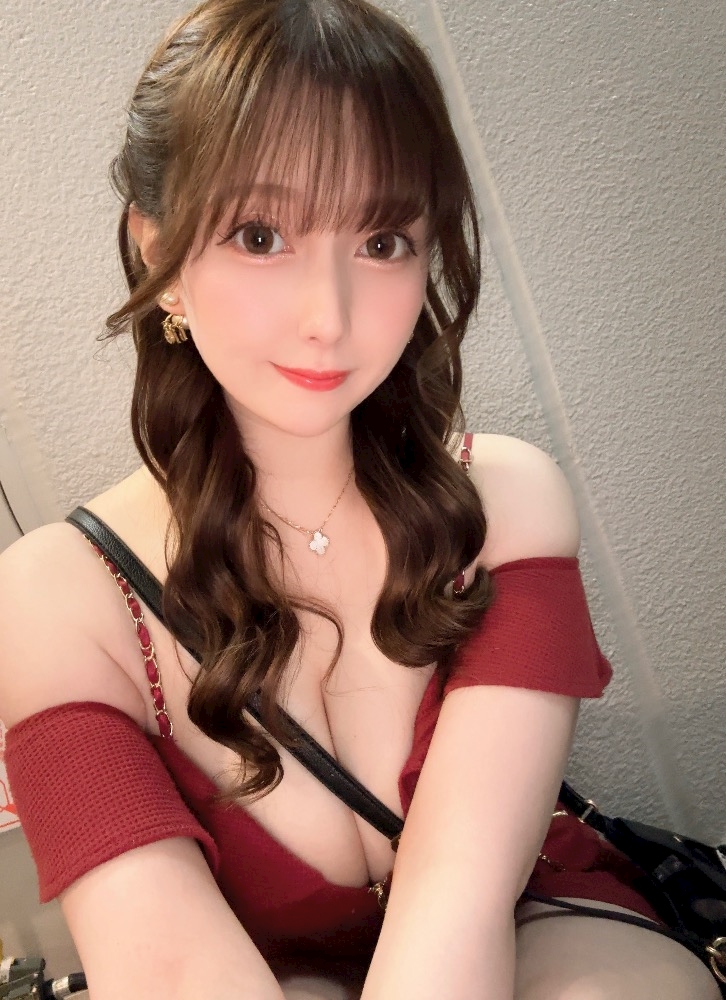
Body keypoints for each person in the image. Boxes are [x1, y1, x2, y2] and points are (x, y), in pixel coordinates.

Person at [0, 1, 719, 998]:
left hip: (530, 922)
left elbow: (462, 899)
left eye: (382, 240)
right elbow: (171, 969)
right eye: (260, 234)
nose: (328, 316)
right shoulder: (55, 602)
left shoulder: (501, 505)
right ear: (157, 252)